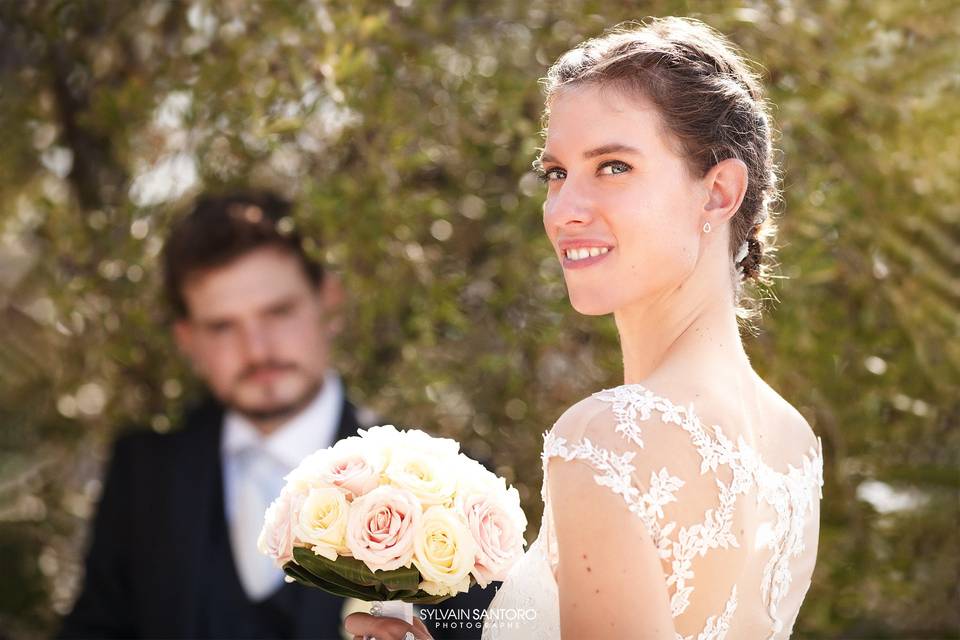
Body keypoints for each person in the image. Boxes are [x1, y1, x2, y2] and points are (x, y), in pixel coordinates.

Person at [345, 17, 824, 640]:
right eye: (556, 173)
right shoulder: (794, 445)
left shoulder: (604, 440)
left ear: (718, 192)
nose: (565, 210)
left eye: (614, 167)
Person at [60, 192, 492, 639]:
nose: (257, 349)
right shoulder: (144, 475)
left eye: (278, 312)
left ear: (328, 300)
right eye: (223, 326)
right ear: (188, 340)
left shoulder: (448, 491)